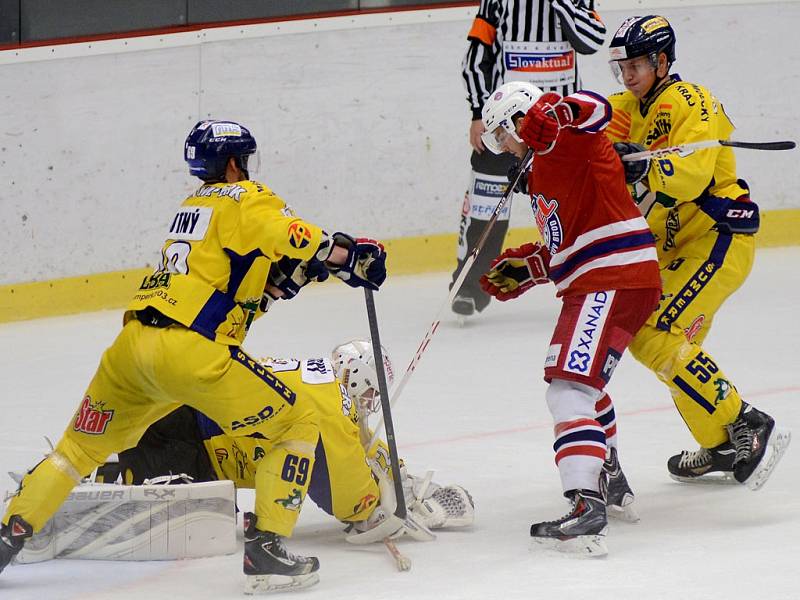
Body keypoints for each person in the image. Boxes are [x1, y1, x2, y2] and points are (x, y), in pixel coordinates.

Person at [0, 120, 390, 593]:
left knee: (76, 449)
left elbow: (237, 290)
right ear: (233, 163)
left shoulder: (193, 209)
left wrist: (295, 280)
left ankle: (9, 536)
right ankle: (265, 546)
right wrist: (348, 256)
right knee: (298, 423)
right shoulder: (244, 197)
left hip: (131, 347)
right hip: (189, 353)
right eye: (244, 160)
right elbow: (297, 235)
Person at [11, 340, 474, 563]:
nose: (371, 406)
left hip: (182, 412)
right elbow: (349, 497)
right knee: (138, 483)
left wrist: (401, 478)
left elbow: (365, 448)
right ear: (356, 381)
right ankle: (46, 506)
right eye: (371, 395)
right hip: (196, 441)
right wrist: (376, 507)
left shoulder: (318, 380)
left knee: (102, 456)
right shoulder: (333, 405)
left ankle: (47, 485)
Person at [605, 15, 791, 488]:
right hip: (675, 249)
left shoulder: (689, 101)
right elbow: (589, 139)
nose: (627, 77)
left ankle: (746, 419)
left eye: (636, 66)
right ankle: (723, 444)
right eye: (621, 67)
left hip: (716, 239)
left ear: (662, 60)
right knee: (675, 350)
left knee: (652, 331)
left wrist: (641, 169)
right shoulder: (627, 106)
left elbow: (688, 176)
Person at [478, 81, 662, 555]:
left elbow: (595, 109)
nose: (503, 148)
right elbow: (574, 244)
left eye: (503, 136)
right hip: (606, 279)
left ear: (523, 119)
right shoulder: (540, 174)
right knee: (585, 387)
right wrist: (530, 268)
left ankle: (586, 502)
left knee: (567, 388)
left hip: (612, 279)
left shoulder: (562, 139)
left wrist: (555, 113)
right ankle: (608, 476)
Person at [451, 0, 607, 320]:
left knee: (577, 208)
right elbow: (477, 54)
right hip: (507, 126)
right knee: (486, 205)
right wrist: (478, 113)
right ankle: (468, 285)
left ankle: (589, 278)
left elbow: (591, 40)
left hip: (561, 125)